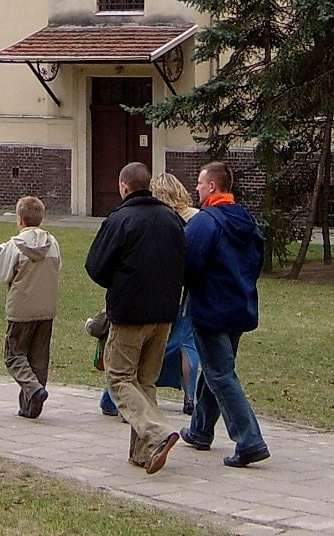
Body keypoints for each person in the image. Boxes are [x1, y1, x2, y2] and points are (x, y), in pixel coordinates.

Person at [84, 162, 186, 475]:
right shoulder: (172, 218)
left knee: (119, 378)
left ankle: (157, 432)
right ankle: (143, 453)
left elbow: (96, 267)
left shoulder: (119, 219)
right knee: (145, 381)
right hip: (165, 313)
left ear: (124, 186)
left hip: (130, 313)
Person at [179, 161, 270, 469]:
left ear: (213, 187)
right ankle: (200, 430)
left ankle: (249, 440)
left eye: (200, 184)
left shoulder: (206, 222)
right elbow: (257, 259)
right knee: (216, 367)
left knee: (220, 373)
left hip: (210, 308)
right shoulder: (245, 219)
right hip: (239, 305)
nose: (197, 188)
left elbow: (189, 265)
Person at [98, 171, 199, 417]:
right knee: (174, 353)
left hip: (138, 303)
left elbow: (99, 266)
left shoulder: (144, 218)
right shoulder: (191, 220)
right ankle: (188, 397)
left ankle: (149, 426)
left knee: (124, 370)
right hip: (176, 297)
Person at [0, 195, 61, 419]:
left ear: (20, 219)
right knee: (39, 359)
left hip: (20, 309)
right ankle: (31, 408)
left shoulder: (14, 246)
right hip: (46, 308)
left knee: (14, 354)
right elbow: (57, 267)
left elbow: (1, 275)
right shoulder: (53, 243)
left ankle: (33, 389)